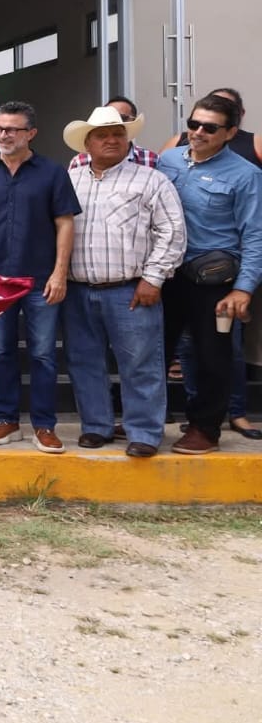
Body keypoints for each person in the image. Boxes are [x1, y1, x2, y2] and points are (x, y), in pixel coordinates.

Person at [0, 101, 82, 452]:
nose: (3, 135)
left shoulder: (52, 173)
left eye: (12, 129)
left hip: (41, 281)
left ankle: (44, 425)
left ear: (31, 133)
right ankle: (6, 420)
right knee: (0, 353)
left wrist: (60, 273)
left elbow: (65, 224)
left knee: (43, 355)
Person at [63, 106, 186, 457]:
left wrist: (154, 278)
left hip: (131, 289)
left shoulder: (150, 180)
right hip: (77, 289)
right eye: (102, 135)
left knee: (141, 364)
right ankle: (95, 426)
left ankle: (144, 432)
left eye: (118, 134)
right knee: (84, 362)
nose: (111, 140)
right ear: (87, 143)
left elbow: (172, 232)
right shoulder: (69, 180)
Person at [154, 93, 262, 454]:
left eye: (210, 128)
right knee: (153, 350)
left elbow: (256, 235)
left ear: (230, 132)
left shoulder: (246, 175)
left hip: (214, 280)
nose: (198, 132)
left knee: (212, 356)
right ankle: (146, 420)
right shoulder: (168, 161)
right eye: (193, 124)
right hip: (167, 274)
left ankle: (205, 428)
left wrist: (243, 289)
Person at [68, 96, 158, 171]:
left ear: (133, 120)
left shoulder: (151, 159)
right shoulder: (80, 161)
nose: (111, 140)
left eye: (122, 117)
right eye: (101, 135)